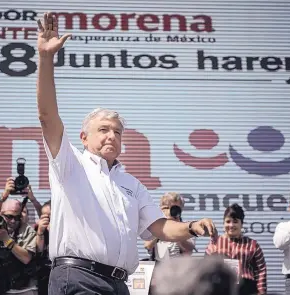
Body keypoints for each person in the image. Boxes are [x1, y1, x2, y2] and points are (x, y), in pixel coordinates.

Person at [36, 12, 217, 295]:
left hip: (119, 284)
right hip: (78, 277)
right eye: (104, 129)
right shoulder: (70, 163)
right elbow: (47, 116)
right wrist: (46, 59)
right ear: (84, 137)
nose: (112, 136)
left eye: (118, 132)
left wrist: (192, 227)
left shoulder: (131, 184)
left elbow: (160, 228)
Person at [0, 179, 38, 295]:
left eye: (17, 217)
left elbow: (26, 258)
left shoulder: (26, 230)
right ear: (0, 214)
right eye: (9, 217)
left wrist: (6, 240)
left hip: (22, 289)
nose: (13, 221)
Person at [205, 204, 267, 295]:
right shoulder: (214, 244)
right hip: (221, 290)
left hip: (246, 289)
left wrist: (261, 292)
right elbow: (206, 270)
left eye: (235, 221)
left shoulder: (252, 245)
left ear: (241, 224)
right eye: (228, 221)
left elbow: (261, 271)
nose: (231, 225)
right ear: (223, 223)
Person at [144, 192, 195, 262]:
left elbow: (189, 247)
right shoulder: (155, 226)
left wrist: (177, 226)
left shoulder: (185, 226)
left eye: (174, 208)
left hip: (179, 269)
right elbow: (148, 245)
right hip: (159, 268)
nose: (170, 211)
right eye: (167, 207)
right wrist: (161, 223)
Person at [34, 200, 51, 295]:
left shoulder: (64, 228)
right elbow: (38, 250)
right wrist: (40, 231)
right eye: (44, 216)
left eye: (49, 216)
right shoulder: (38, 229)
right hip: (43, 274)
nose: (47, 219)